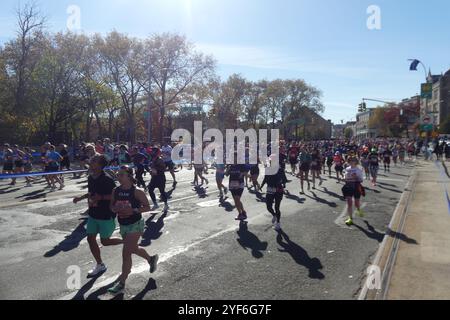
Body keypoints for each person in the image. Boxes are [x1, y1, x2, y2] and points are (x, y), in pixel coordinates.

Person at [107, 166, 159, 294]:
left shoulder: (137, 191)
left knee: (126, 253)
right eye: (118, 175)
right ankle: (151, 259)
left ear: (129, 176)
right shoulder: (116, 190)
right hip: (123, 224)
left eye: (121, 175)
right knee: (133, 248)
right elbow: (111, 205)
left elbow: (147, 207)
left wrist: (133, 210)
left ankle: (122, 282)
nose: (118, 177)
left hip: (135, 224)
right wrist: (114, 209)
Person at [73, 155, 123, 278]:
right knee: (90, 239)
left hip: (106, 214)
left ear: (100, 165)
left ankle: (126, 241)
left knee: (105, 242)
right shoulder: (91, 177)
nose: (90, 161)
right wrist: (81, 198)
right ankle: (100, 264)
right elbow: (91, 193)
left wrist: (101, 198)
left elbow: (115, 196)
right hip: (94, 214)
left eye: (94, 161)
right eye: (92, 160)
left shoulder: (107, 179)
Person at [260, 158, 284, 231]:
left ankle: (278, 223)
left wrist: (281, 182)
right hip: (270, 190)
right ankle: (274, 215)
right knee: (268, 206)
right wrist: (261, 186)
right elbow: (265, 178)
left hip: (278, 190)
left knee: (277, 207)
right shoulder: (268, 169)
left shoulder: (280, 170)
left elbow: (284, 179)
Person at [342, 157, 365, 226]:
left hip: (356, 187)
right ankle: (350, 219)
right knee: (349, 203)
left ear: (356, 162)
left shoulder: (358, 169)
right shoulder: (347, 169)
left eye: (353, 161)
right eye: (350, 161)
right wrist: (344, 178)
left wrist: (356, 177)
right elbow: (345, 176)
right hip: (348, 186)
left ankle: (358, 209)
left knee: (356, 203)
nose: (351, 162)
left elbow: (361, 180)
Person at [226, 154, 248, 221]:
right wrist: (227, 170)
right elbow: (226, 174)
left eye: (235, 158)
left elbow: (245, 172)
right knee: (236, 200)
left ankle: (240, 214)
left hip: (240, 184)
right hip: (232, 185)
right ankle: (243, 212)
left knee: (237, 199)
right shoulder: (230, 166)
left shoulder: (241, 165)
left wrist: (242, 174)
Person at [147, 148, 169, 212]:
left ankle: (166, 205)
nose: (152, 153)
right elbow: (152, 168)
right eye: (152, 152)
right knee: (150, 190)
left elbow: (164, 168)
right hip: (154, 177)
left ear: (156, 153)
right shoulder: (152, 159)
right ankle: (155, 204)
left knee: (162, 191)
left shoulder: (160, 159)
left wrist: (155, 168)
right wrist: (151, 170)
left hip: (160, 178)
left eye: (153, 152)